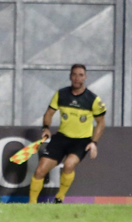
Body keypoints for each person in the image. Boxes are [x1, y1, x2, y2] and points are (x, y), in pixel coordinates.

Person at [28, 64, 106, 204]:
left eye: (80, 75)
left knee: (69, 165)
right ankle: (31, 204)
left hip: (81, 141)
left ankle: (59, 198)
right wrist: (46, 128)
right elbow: (49, 113)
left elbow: (101, 122)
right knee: (40, 170)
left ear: (85, 77)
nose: (77, 78)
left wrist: (94, 143)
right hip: (61, 138)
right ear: (70, 76)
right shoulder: (61, 94)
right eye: (74, 74)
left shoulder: (93, 100)